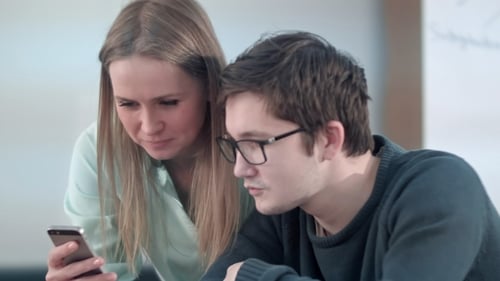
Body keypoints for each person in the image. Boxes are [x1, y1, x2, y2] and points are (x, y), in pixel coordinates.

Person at [202, 31, 500, 281]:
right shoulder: (285, 212)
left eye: (257, 144)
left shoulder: (440, 189)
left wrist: (260, 278)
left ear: (329, 139)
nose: (239, 169)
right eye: (236, 144)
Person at [45, 0, 254, 280]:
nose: (149, 127)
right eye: (128, 104)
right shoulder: (97, 150)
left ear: (209, 85)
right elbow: (110, 272)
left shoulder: (254, 143)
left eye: (168, 102)